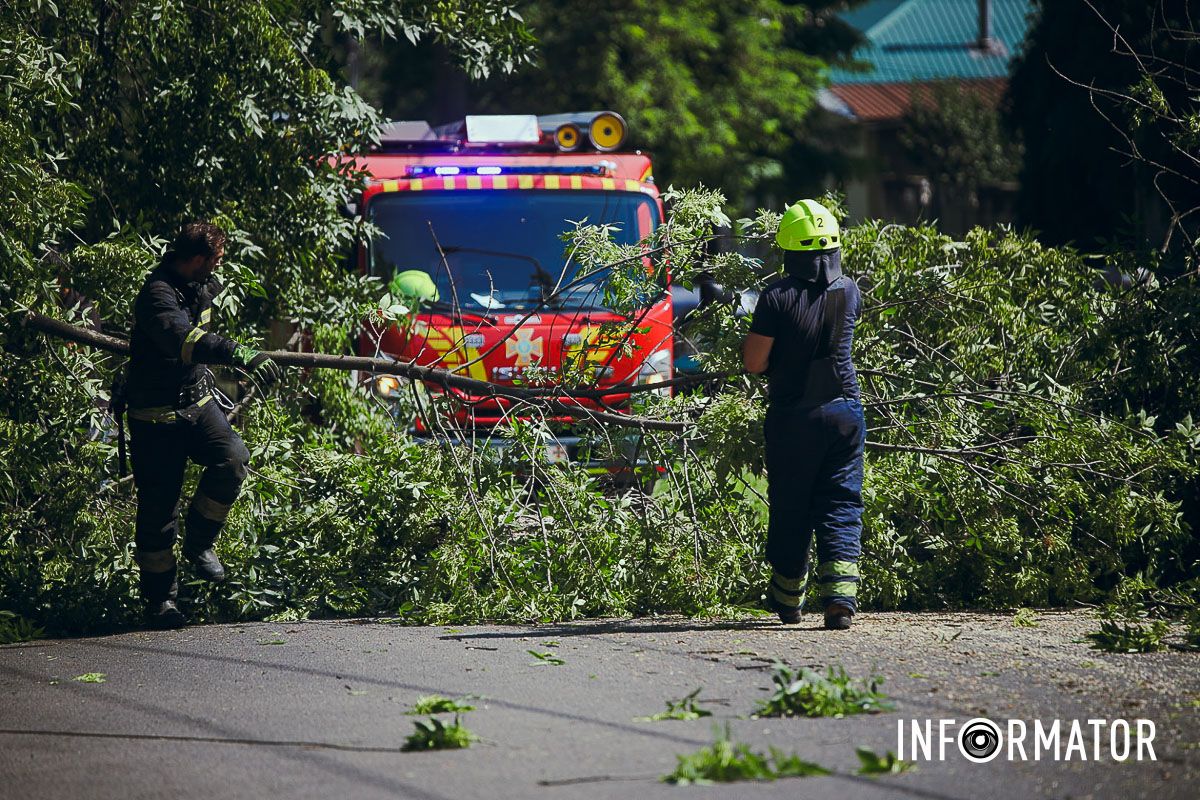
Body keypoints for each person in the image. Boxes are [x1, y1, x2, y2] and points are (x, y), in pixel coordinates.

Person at [123, 222, 279, 629]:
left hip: (195, 402)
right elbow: (186, 341)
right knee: (158, 514)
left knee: (232, 459)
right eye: (216, 259)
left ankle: (199, 543)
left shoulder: (200, 286)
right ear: (197, 259)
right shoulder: (156, 295)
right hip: (155, 416)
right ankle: (160, 603)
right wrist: (241, 353)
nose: (219, 266)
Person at [742, 199, 865, 631]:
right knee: (841, 502)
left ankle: (788, 602)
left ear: (789, 248)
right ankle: (840, 603)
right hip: (845, 413)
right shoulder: (849, 290)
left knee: (792, 506)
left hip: (795, 418)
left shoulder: (776, 297)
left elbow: (755, 363)